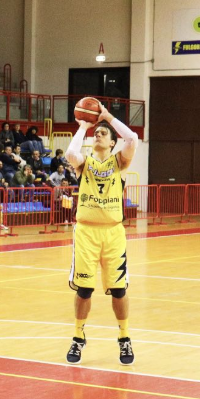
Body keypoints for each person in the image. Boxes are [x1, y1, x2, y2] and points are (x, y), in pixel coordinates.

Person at [64, 101, 139, 366]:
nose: (98, 135)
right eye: (97, 133)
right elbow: (70, 154)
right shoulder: (83, 164)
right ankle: (77, 336)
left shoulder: (120, 162)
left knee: (118, 290)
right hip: (86, 233)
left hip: (113, 234)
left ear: (111, 143)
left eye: (103, 133)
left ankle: (124, 337)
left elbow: (133, 138)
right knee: (84, 289)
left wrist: (108, 117)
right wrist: (84, 125)